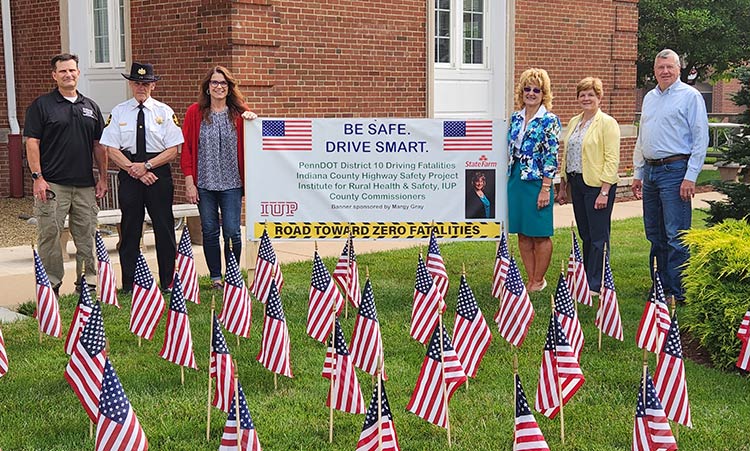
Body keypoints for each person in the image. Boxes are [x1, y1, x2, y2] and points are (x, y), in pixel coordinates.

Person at [24, 53, 108, 296]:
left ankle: (88, 285)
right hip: (52, 186)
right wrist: (37, 177)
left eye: (72, 70)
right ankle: (51, 288)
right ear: (54, 75)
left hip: (84, 186)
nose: (68, 75)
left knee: (87, 236)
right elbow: (32, 143)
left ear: (78, 73)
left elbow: (99, 146)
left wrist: (102, 178)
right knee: (49, 236)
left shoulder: (90, 107)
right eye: (62, 71)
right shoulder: (42, 106)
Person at [100, 62, 185, 293]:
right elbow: (110, 148)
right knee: (130, 228)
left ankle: (168, 282)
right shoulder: (119, 112)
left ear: (153, 85)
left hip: (158, 174)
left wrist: (146, 166)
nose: (141, 87)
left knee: (164, 228)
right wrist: (133, 169)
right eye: (137, 83)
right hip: (129, 175)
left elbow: (173, 149)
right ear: (130, 84)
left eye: (146, 83)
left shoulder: (164, 111)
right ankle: (129, 284)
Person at [631, 49, 708, 301]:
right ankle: (660, 285)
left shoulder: (690, 96)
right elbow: (643, 137)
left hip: (676, 171)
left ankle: (678, 290)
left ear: (678, 69)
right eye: (660, 67)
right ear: (654, 70)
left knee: (676, 234)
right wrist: (638, 172)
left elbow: (700, 138)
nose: (665, 71)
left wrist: (691, 176)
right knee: (654, 233)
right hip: (651, 171)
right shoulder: (649, 98)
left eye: (670, 67)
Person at [180, 66, 256, 290]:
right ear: (207, 87)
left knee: (232, 230)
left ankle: (233, 274)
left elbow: (255, 138)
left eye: (223, 83)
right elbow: (188, 149)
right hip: (205, 183)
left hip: (232, 183)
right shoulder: (195, 112)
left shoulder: (240, 113)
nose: (219, 87)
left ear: (230, 87)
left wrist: (253, 119)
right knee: (210, 230)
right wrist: (189, 181)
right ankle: (215, 277)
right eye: (214, 82)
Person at [556, 77, 620, 294]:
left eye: (590, 94)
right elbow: (567, 155)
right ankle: (587, 278)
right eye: (582, 95)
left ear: (599, 97)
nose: (586, 98)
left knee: (599, 235)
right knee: (586, 233)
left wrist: (604, 191)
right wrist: (563, 186)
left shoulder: (607, 123)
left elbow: (612, 159)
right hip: (577, 183)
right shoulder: (575, 121)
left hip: (597, 187)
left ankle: (598, 282)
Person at [507, 68, 561, 292]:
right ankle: (531, 279)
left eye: (536, 90)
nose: (531, 93)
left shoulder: (549, 120)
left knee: (539, 232)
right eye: (527, 89)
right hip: (516, 179)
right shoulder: (515, 118)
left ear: (543, 93)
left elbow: (551, 155)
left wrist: (546, 188)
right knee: (522, 231)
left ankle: (539, 279)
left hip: (538, 181)